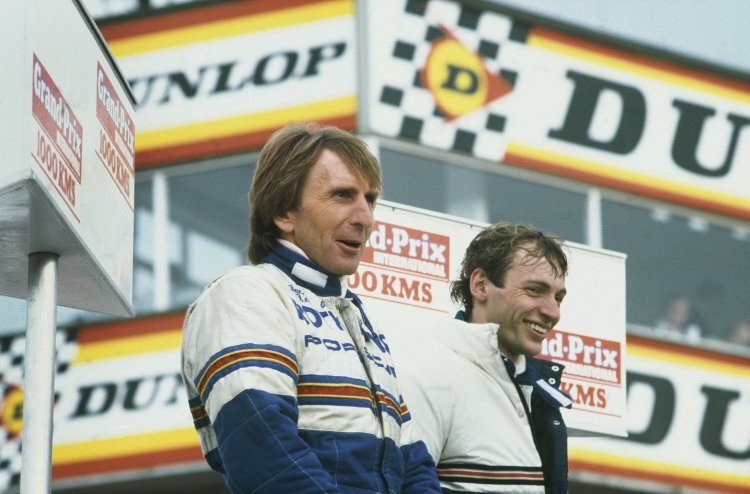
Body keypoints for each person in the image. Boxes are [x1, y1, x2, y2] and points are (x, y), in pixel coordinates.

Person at [181, 122, 441, 493]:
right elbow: (266, 453)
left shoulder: (356, 317)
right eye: (342, 195)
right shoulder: (246, 292)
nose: (365, 218)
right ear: (284, 213)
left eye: (370, 199)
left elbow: (414, 465)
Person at [392, 222, 572, 493]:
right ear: (480, 285)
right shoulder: (426, 375)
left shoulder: (538, 392)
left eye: (558, 297)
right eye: (535, 290)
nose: (552, 311)